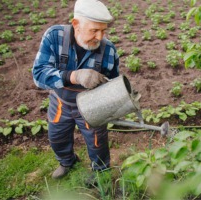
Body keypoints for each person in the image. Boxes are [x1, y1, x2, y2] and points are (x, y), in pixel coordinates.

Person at [32, 0, 119, 186]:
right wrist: (74, 76)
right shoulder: (54, 37)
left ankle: (101, 172)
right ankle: (67, 162)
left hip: (92, 105)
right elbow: (38, 75)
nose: (100, 36)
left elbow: (114, 84)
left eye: (103, 30)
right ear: (76, 24)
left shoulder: (109, 50)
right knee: (57, 137)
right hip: (61, 102)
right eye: (94, 30)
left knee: (97, 142)